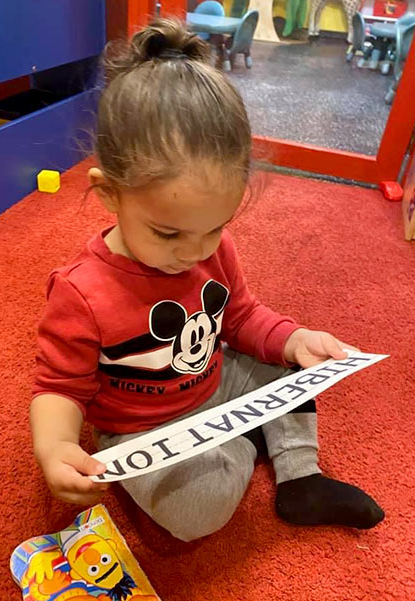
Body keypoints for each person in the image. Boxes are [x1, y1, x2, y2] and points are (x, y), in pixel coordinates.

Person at [30, 18, 384, 542]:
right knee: (198, 516)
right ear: (109, 194)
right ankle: (254, 439)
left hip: (216, 381)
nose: (194, 252)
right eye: (168, 233)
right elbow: (58, 387)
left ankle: (300, 476)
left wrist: (293, 338)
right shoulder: (82, 291)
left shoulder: (209, 251)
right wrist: (56, 448)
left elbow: (240, 316)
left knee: (296, 368)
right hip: (144, 425)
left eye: (216, 227)